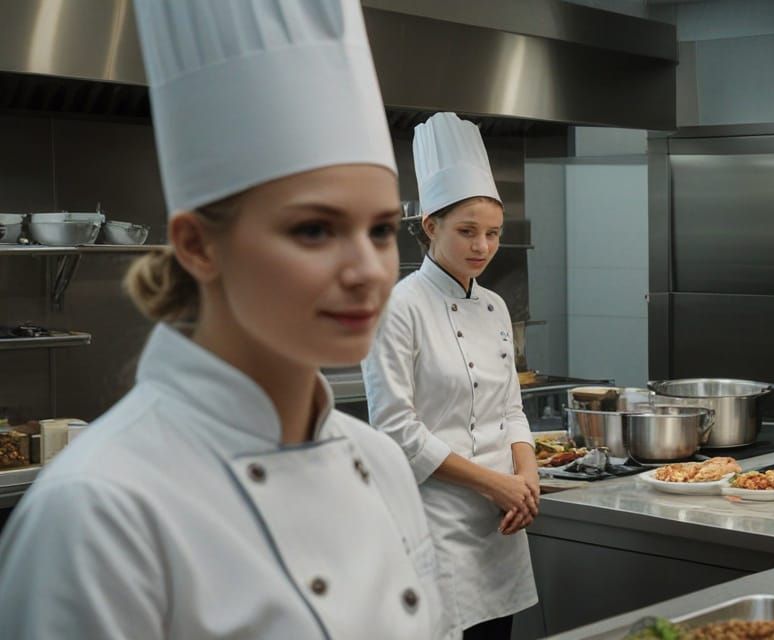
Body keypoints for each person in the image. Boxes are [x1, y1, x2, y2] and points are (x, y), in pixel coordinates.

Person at [0, 1, 448, 637]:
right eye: (315, 229)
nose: (369, 270)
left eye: (379, 230)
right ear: (197, 246)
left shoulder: (380, 463)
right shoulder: (99, 509)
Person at [363, 112, 538, 639]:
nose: (482, 247)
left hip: (502, 529)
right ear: (429, 226)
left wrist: (525, 478)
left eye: (492, 234)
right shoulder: (398, 307)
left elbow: (511, 409)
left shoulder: (494, 305)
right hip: (434, 523)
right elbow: (396, 431)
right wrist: (496, 484)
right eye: (467, 232)